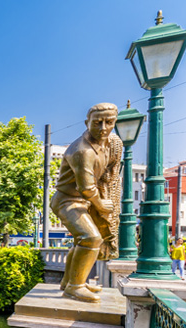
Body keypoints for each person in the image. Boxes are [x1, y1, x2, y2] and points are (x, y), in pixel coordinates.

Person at [52, 103, 122, 303]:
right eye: (98, 123)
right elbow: (86, 188)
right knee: (91, 239)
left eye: (109, 122)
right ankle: (75, 287)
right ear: (87, 123)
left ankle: (71, 282)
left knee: (80, 240)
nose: (104, 128)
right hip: (68, 201)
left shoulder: (106, 143)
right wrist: (100, 205)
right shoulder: (83, 151)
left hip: (82, 201)